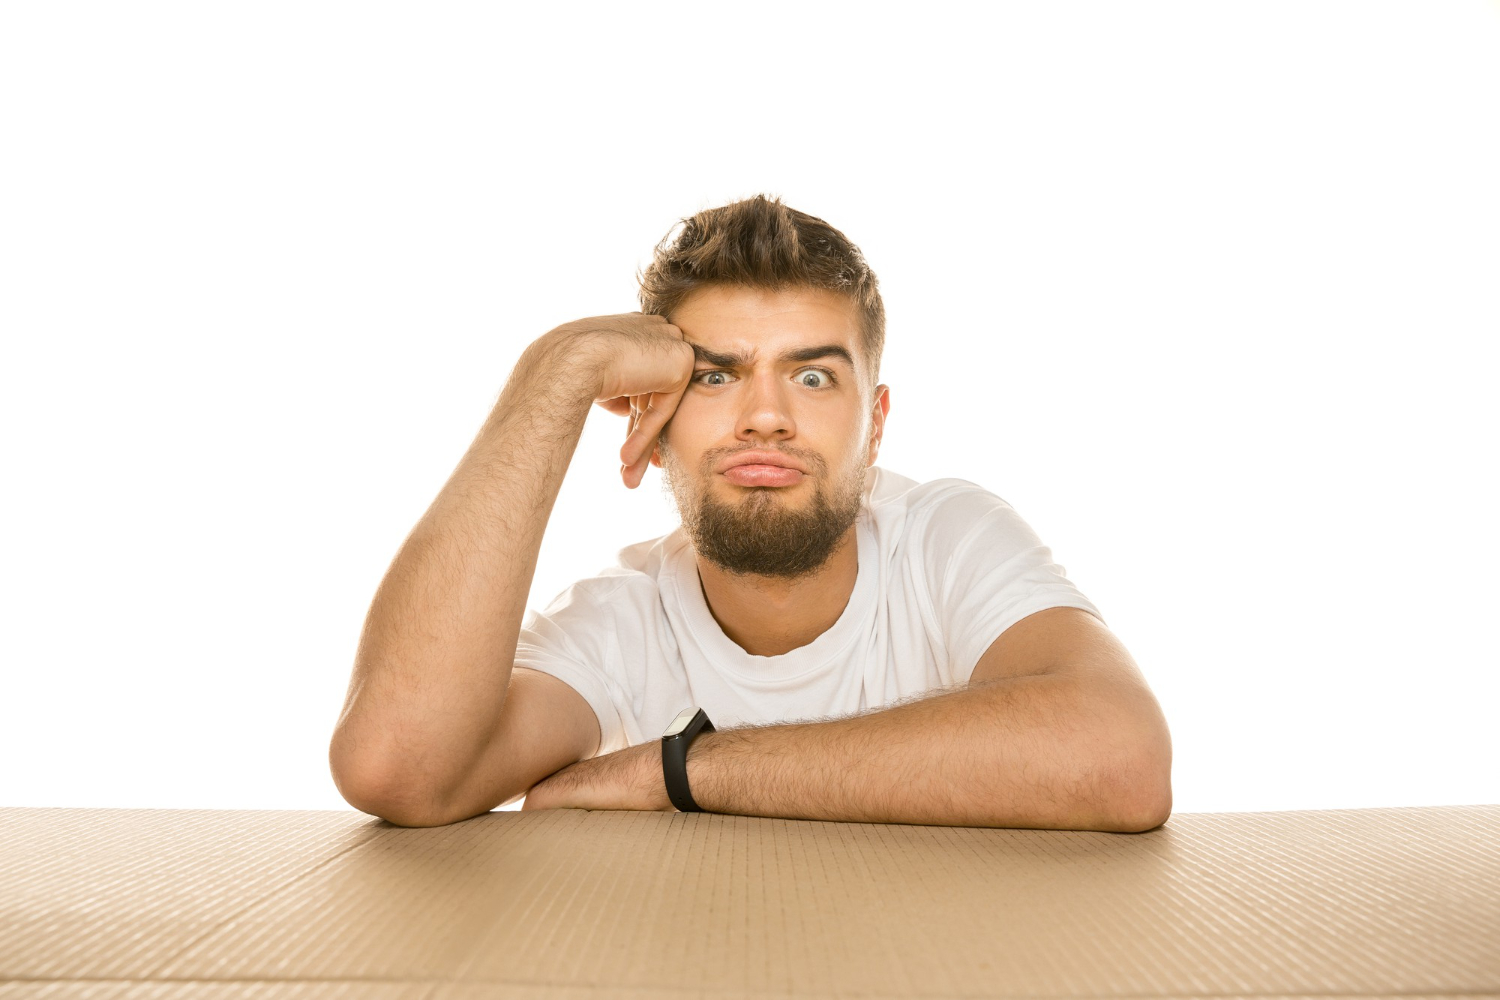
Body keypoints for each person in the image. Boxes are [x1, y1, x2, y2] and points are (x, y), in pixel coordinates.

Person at [329, 194, 1173, 832]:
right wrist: (557, 371)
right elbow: (397, 767)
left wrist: (681, 772)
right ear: (648, 421)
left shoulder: (946, 542)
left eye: (811, 377)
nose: (765, 414)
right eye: (714, 375)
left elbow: (1123, 759)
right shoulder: (621, 622)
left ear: (874, 425)